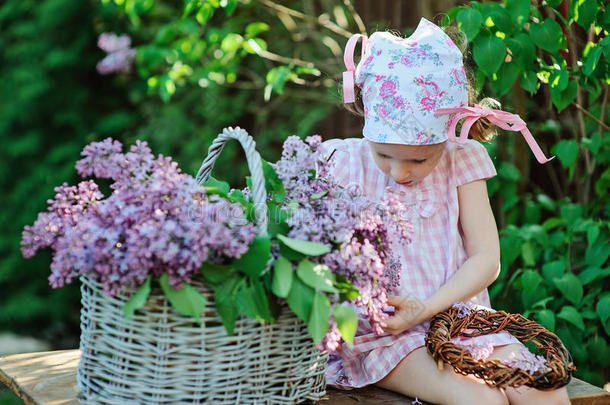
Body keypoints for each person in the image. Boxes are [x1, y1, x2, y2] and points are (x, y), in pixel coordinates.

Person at [320, 17, 571, 405]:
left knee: (543, 392)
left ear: (447, 133)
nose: (399, 172)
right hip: (390, 336)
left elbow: (486, 259)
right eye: (383, 154)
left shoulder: (462, 159)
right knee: (480, 400)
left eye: (419, 160)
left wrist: (428, 308)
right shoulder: (341, 162)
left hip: (463, 322)